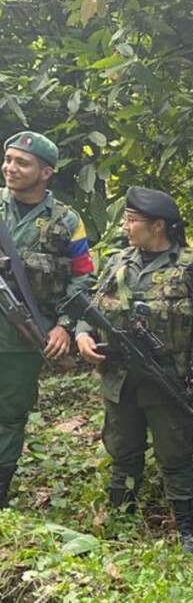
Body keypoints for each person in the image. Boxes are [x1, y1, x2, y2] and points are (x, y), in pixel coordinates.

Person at [75, 186, 193, 553]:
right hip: (120, 379)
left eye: (133, 220)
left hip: (167, 380)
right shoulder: (116, 261)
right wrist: (82, 336)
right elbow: (88, 308)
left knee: (175, 455)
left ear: (157, 226)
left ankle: (187, 529)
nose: (126, 227)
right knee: (122, 451)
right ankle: (121, 519)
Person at [0, 131, 95, 508]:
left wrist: (64, 326)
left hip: (21, 339)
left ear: (46, 172)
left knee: (9, 415)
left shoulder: (67, 221)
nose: (10, 168)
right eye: (8, 159)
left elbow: (82, 278)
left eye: (21, 163)